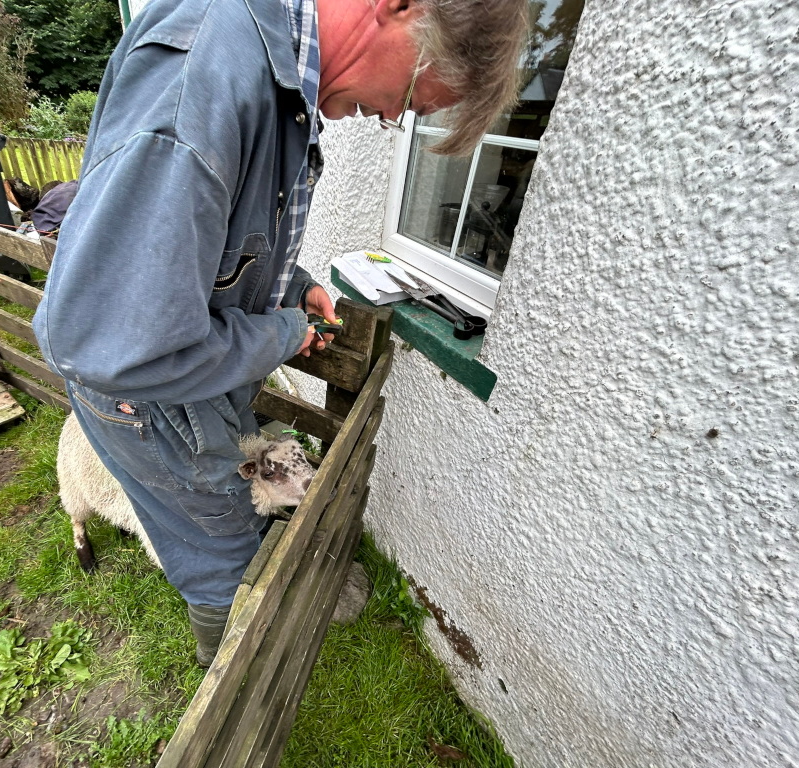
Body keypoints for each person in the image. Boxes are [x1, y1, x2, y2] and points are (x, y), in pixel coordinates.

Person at [33, 0, 529, 666]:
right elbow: (112, 345)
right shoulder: (203, 84)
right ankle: (234, 681)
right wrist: (285, 333)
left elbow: (206, 240)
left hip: (187, 383)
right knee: (222, 545)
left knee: (241, 497)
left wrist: (293, 286)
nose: (388, 118)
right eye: (408, 100)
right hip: (152, 399)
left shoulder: (271, 72)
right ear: (398, 8)